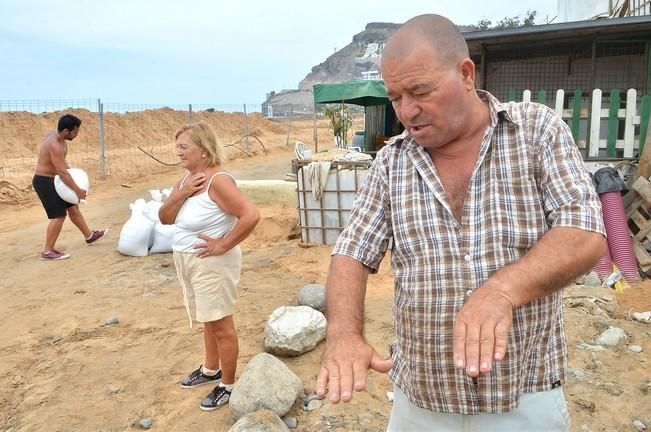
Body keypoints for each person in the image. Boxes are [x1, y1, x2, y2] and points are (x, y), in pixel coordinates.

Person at [315, 14, 606, 431]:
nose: (406, 111)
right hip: (421, 402)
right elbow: (351, 251)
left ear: (466, 74)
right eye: (395, 97)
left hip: (524, 398)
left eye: (420, 91)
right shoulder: (392, 162)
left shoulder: (535, 131)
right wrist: (343, 334)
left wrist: (502, 290)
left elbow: (584, 231)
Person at [159, 122, 259, 411]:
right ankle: (210, 369)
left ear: (204, 150)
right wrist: (181, 193)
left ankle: (227, 385)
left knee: (221, 324)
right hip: (191, 261)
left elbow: (251, 215)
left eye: (183, 147)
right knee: (208, 319)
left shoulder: (219, 181)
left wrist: (224, 243)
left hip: (212, 263)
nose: (178, 152)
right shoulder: (186, 180)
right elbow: (165, 217)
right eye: (177, 146)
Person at [32, 114, 109, 261]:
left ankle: (89, 236)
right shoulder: (55, 145)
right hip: (45, 182)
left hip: (55, 180)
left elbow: (61, 166)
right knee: (59, 215)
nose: (77, 134)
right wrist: (77, 190)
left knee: (73, 208)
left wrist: (75, 180)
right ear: (66, 131)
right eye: (75, 131)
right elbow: (61, 171)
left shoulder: (59, 138)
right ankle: (48, 252)